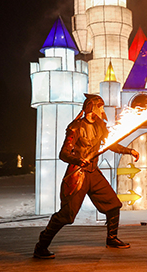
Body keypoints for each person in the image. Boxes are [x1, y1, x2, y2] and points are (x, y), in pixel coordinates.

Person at [33, 94, 139, 259]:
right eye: (100, 106)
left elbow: (112, 143)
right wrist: (78, 159)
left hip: (93, 172)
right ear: (92, 107)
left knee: (113, 205)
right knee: (67, 215)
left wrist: (129, 151)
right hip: (78, 174)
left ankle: (111, 239)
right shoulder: (75, 127)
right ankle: (41, 246)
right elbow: (63, 154)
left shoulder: (100, 125)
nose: (103, 110)